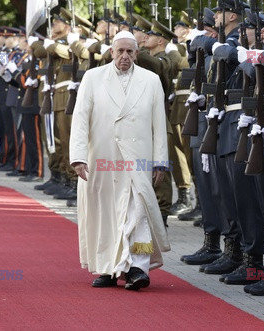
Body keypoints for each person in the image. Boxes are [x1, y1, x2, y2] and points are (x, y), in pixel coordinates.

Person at [69, 30, 170, 290]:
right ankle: (107, 268)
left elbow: (160, 124)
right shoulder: (93, 77)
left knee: (139, 215)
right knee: (105, 215)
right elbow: (80, 119)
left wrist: (160, 161)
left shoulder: (151, 80)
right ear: (111, 52)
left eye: (130, 51)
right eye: (120, 51)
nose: (124, 56)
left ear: (137, 53)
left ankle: (138, 267)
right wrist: (78, 157)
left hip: (138, 160)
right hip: (101, 159)